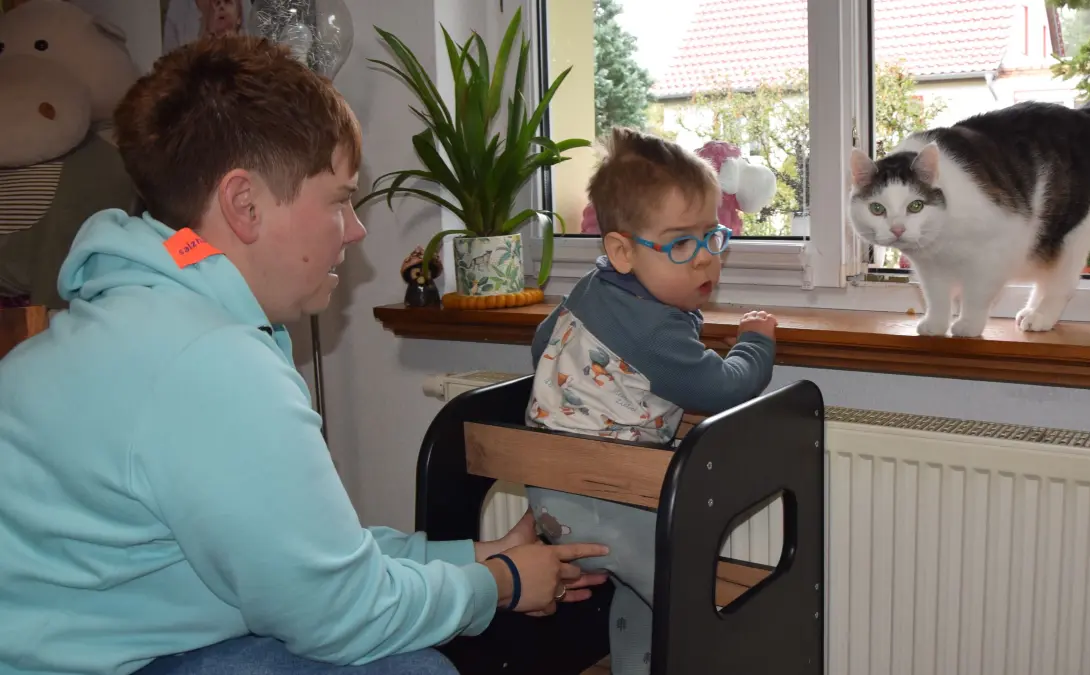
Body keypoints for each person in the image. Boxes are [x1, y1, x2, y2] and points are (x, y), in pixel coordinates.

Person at [0, 34, 609, 675]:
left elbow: (302, 560)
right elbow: (342, 615)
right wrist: (502, 584)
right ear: (245, 205)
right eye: (341, 199)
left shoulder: (141, 318)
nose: (356, 229)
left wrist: (471, 560)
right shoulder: (211, 363)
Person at [523, 127, 778, 675]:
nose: (706, 260)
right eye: (681, 244)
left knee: (643, 595)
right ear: (621, 251)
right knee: (686, 596)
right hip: (606, 495)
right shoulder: (655, 329)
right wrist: (756, 342)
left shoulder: (592, 289)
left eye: (712, 236)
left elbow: (544, 344)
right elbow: (724, 387)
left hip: (554, 488)